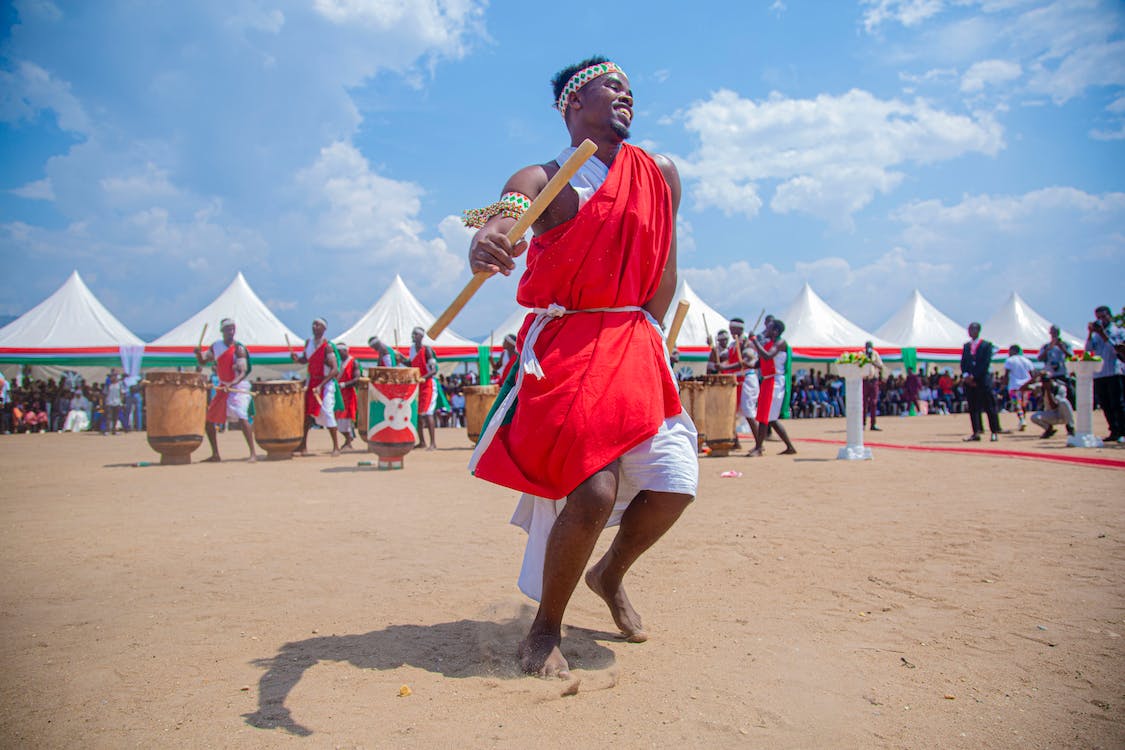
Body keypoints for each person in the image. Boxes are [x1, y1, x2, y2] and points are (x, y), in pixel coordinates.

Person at [465, 56, 697, 677]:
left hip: (637, 337)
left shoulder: (662, 173)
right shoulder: (543, 175)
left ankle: (609, 573)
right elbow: (504, 213)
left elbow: (666, 258)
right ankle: (545, 630)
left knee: (675, 484)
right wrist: (486, 235)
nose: (625, 96)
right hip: (569, 343)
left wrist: (654, 332)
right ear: (574, 105)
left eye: (629, 88)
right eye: (609, 88)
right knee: (593, 489)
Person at [194, 318, 257, 462]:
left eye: (232, 328)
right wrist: (198, 354)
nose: (231, 331)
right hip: (224, 387)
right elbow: (204, 360)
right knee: (209, 420)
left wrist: (232, 384)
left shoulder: (239, 349)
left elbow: (242, 372)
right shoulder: (216, 346)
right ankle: (215, 454)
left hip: (237, 387)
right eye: (228, 329)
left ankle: (252, 453)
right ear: (222, 331)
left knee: (242, 417)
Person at [291, 318, 342, 456]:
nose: (314, 326)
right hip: (312, 382)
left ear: (324, 329)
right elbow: (306, 360)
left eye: (318, 324)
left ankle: (336, 447)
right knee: (307, 414)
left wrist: (320, 385)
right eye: (313, 324)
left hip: (325, 384)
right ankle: (302, 446)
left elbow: (335, 369)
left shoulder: (327, 347)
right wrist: (297, 359)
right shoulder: (308, 343)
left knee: (327, 412)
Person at [747, 319, 797, 455]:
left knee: (766, 416)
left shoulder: (780, 343)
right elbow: (760, 362)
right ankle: (789, 447)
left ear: (775, 331)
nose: (765, 331)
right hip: (768, 380)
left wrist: (755, 340)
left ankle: (759, 448)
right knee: (770, 417)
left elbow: (767, 356)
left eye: (768, 328)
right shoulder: (769, 344)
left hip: (775, 381)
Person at [1086, 305, 1125, 442]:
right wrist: (1090, 333)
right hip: (1100, 373)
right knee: (1105, 404)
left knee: (1117, 403)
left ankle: (1122, 431)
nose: (1101, 320)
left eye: (1103, 317)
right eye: (1098, 318)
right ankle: (1113, 430)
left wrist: (1104, 334)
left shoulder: (1118, 331)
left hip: (1114, 371)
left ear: (1110, 316)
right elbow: (1088, 349)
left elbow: (1118, 349)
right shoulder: (1096, 335)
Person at [960, 322, 1001, 441]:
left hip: (983, 380)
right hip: (970, 382)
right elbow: (964, 363)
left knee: (989, 406)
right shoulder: (966, 346)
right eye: (969, 329)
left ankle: (994, 432)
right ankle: (976, 432)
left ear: (977, 331)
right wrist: (966, 375)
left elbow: (985, 363)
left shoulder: (986, 345)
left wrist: (975, 376)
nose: (970, 332)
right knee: (973, 407)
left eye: (972, 329)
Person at [408, 327, 439, 450]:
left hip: (428, 385)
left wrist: (423, 378)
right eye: (412, 334)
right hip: (418, 386)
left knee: (428, 413)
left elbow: (433, 370)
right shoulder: (411, 350)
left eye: (416, 334)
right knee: (418, 415)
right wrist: (401, 360)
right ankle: (422, 442)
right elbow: (410, 365)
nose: (413, 336)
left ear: (421, 336)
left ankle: (433, 443)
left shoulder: (427, 350)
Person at [1025, 372, 1074, 439]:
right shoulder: (1040, 387)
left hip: (1062, 414)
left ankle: (1070, 427)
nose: (1045, 382)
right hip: (1051, 415)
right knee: (1034, 417)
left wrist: (1048, 391)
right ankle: (1049, 429)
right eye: (1043, 380)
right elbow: (1023, 388)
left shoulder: (1059, 388)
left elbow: (1054, 406)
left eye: (1047, 380)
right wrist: (1034, 377)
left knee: (1063, 402)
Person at [1003, 344, 1036, 431]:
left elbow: (1006, 374)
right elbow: (1033, 374)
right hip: (1026, 386)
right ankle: (1023, 420)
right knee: (1023, 404)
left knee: (1017, 404)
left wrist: (1004, 383)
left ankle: (1022, 420)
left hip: (1014, 386)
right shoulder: (1027, 361)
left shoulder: (1009, 360)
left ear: (1013, 351)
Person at [336, 342, 359, 450]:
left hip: (348, 395)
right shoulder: (339, 362)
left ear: (345, 351)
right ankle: (348, 439)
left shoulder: (353, 362)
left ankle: (348, 441)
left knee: (346, 419)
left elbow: (356, 379)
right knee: (338, 420)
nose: (338, 353)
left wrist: (344, 384)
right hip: (339, 395)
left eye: (340, 351)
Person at [861, 341, 885, 431]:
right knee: (864, 403)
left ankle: (873, 424)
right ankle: (862, 424)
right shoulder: (862, 354)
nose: (869, 348)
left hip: (873, 380)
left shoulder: (875, 354)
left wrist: (872, 362)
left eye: (870, 347)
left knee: (873, 403)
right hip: (865, 380)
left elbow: (881, 366)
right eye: (867, 347)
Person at [102, 369, 125, 435]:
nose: (113, 377)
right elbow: (105, 394)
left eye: (114, 376)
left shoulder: (119, 385)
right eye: (112, 376)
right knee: (109, 417)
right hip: (109, 402)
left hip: (117, 402)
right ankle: (107, 430)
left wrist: (121, 402)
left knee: (115, 417)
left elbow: (122, 393)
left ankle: (114, 430)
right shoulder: (108, 385)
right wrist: (104, 402)